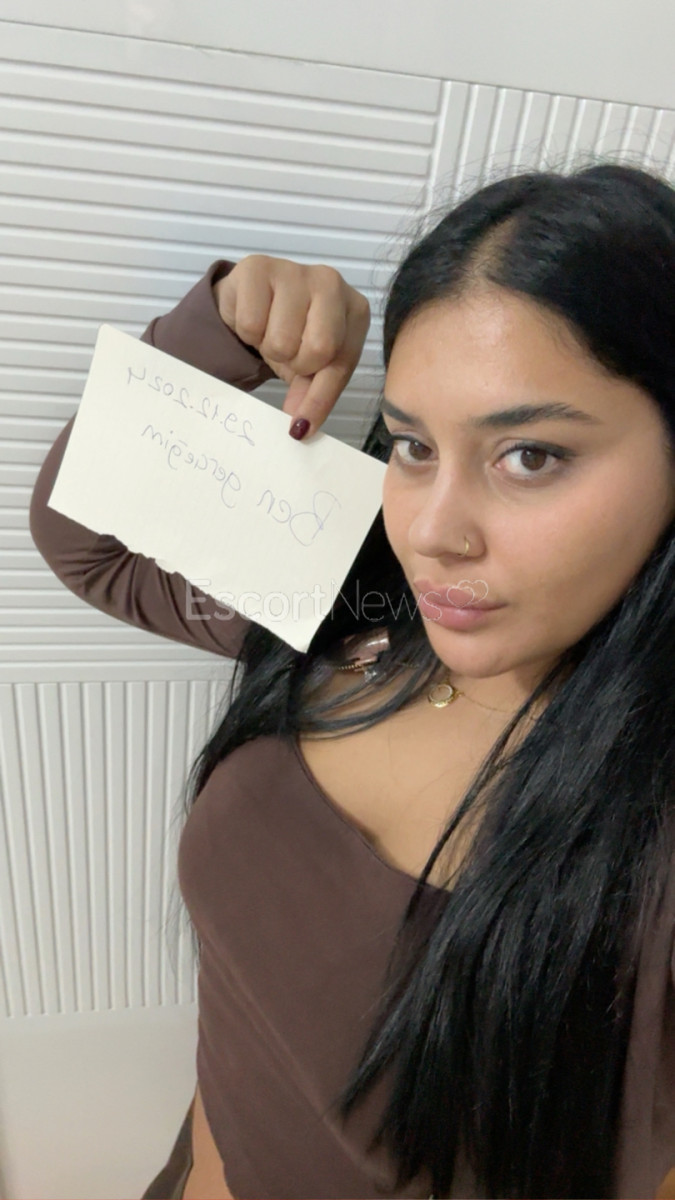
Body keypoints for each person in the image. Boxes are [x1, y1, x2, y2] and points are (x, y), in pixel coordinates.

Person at [29, 163, 675, 1200]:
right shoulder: (362, 612)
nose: (432, 530)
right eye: (413, 445)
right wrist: (225, 335)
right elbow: (87, 537)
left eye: (530, 456)